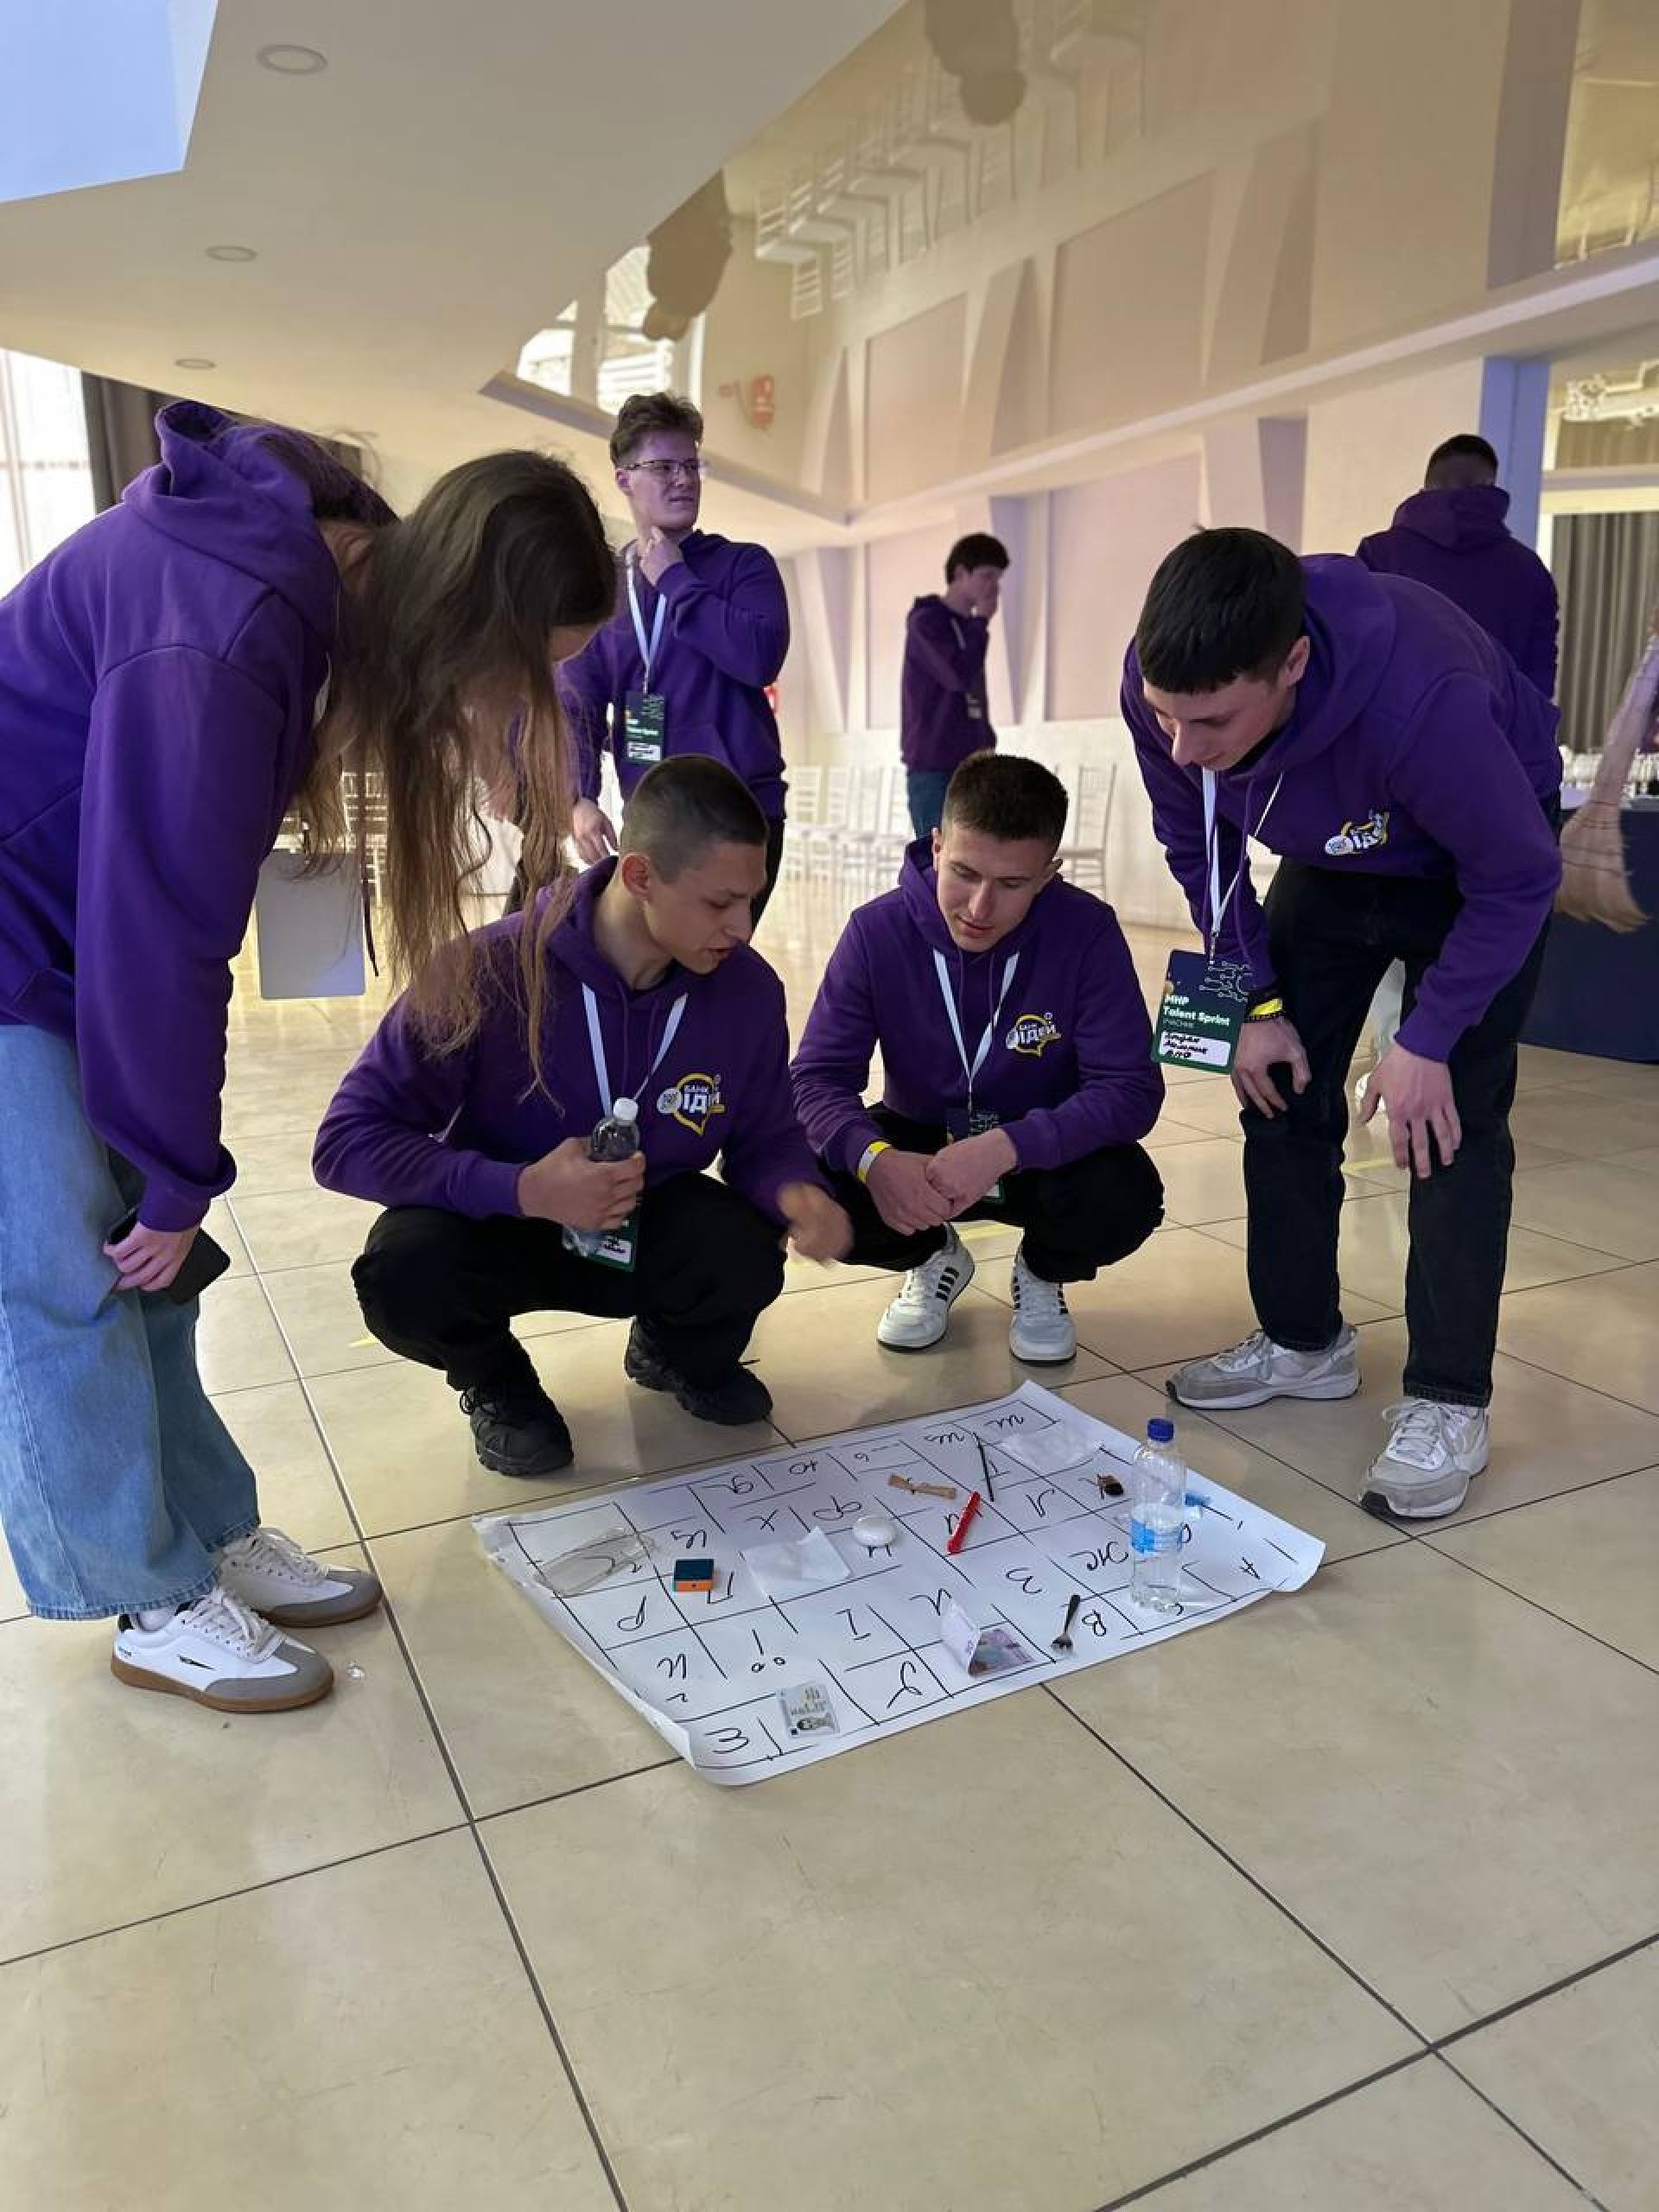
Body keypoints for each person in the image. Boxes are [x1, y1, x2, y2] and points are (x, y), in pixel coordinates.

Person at [0, 401, 615, 1713]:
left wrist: (166, 1184)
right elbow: (162, 929)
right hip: (16, 940)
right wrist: (179, 1170)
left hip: (65, 922)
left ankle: (205, 1535)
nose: (508, 712)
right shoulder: (228, 629)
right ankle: (143, 1597)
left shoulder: (331, 567)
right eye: (516, 680)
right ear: (469, 617)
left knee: (150, 1272)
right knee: (65, 1274)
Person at [1122, 528, 1561, 1520]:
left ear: (1292, 664)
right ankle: (1302, 1341)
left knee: (1447, 1124)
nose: (1181, 747)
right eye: (1164, 718)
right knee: (1279, 1088)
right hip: (1332, 853)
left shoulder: (1424, 700)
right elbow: (1200, 848)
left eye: (1211, 722)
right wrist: (1252, 1003)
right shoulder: (1166, 685)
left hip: (1476, 856)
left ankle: (1449, 1400)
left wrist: (1426, 1040)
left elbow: (1520, 876)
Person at [316, 757, 851, 1478]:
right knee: (403, 1270)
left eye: (751, 901)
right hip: (501, 1219)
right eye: (720, 903)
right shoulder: (486, 970)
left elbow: (767, 1134)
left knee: (745, 1246)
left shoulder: (746, 991)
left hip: (644, 1221)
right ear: (639, 875)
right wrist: (520, 1188)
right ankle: (499, 1384)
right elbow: (346, 1140)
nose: (742, 928)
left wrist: (796, 1190)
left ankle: (673, 1350)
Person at [791, 753, 1165, 1364]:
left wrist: (1008, 1145)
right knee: (807, 1175)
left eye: (1011, 884)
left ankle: (1041, 1271)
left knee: (1125, 1195)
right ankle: (932, 1256)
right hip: (918, 1144)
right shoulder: (875, 931)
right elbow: (815, 1078)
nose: (979, 907)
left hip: (1038, 1148)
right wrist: (875, 1160)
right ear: (937, 846)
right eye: (964, 873)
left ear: (1047, 874)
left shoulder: (1086, 932)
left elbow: (1130, 1089)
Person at [560, 392, 791, 918]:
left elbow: (759, 658)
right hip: (652, 822)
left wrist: (676, 580)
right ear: (624, 479)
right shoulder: (605, 588)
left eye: (691, 465)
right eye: (664, 467)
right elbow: (576, 704)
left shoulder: (745, 566)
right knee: (645, 959)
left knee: (716, 957)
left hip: (741, 815)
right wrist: (580, 796)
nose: (683, 479)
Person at [1357, 433, 1560, 698]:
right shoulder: (1528, 569)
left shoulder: (1379, 554)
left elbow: (1357, 655)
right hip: (1493, 720)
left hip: (1395, 718)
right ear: (1489, 485)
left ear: (1426, 487)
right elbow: (1538, 684)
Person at [901, 531, 1008, 840]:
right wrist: (982, 622)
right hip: (935, 764)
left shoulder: (970, 627)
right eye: (987, 576)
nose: (994, 587)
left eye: (998, 578)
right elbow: (956, 676)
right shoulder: (926, 621)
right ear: (960, 573)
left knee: (978, 851)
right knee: (937, 853)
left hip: (975, 760)